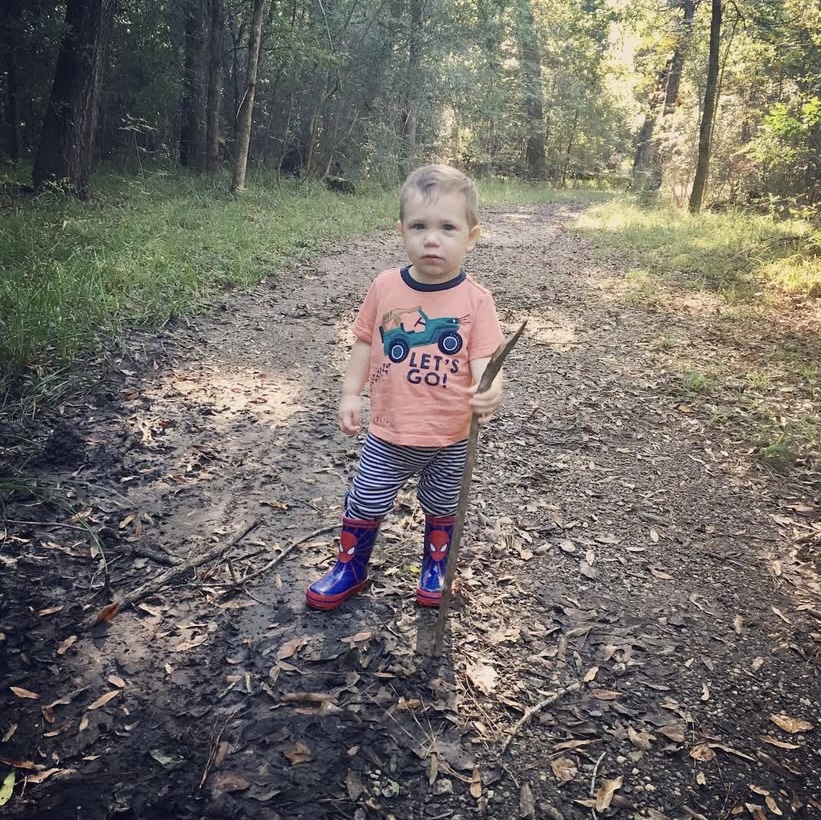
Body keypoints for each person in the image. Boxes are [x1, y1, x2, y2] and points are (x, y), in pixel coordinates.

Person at [306, 164, 505, 611]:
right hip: (389, 433)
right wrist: (350, 393)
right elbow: (364, 342)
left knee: (443, 505)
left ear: (471, 236)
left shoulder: (475, 300)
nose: (432, 238)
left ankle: (436, 567)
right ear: (401, 231)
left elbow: (486, 363)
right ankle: (351, 566)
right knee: (366, 500)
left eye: (447, 228)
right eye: (419, 226)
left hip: (450, 436)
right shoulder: (385, 287)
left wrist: (489, 390)